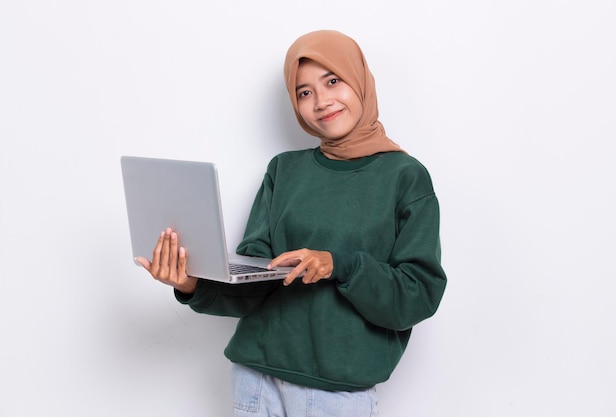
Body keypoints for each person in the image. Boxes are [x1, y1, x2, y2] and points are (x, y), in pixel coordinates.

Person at [136, 29, 447, 417]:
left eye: (332, 80)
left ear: (360, 80)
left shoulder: (406, 177)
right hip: (255, 379)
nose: (321, 101)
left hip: (336, 394)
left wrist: (340, 264)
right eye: (304, 92)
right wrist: (190, 283)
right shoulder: (283, 170)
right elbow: (256, 280)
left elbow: (418, 295)